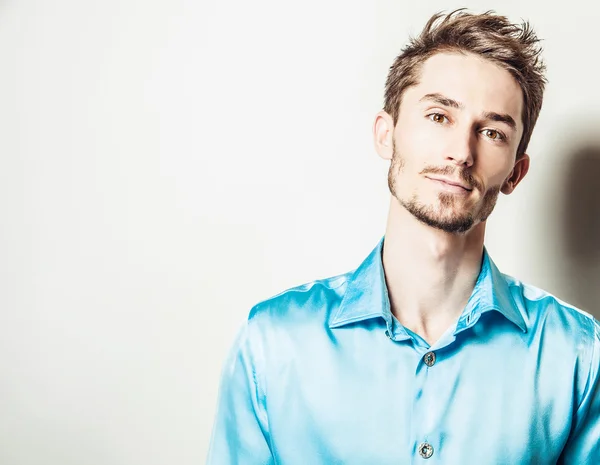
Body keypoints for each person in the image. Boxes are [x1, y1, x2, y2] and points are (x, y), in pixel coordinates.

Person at [206, 9, 600, 464]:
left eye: (492, 132)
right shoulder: (274, 342)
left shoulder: (576, 355)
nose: (461, 152)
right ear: (386, 135)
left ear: (516, 172)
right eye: (438, 116)